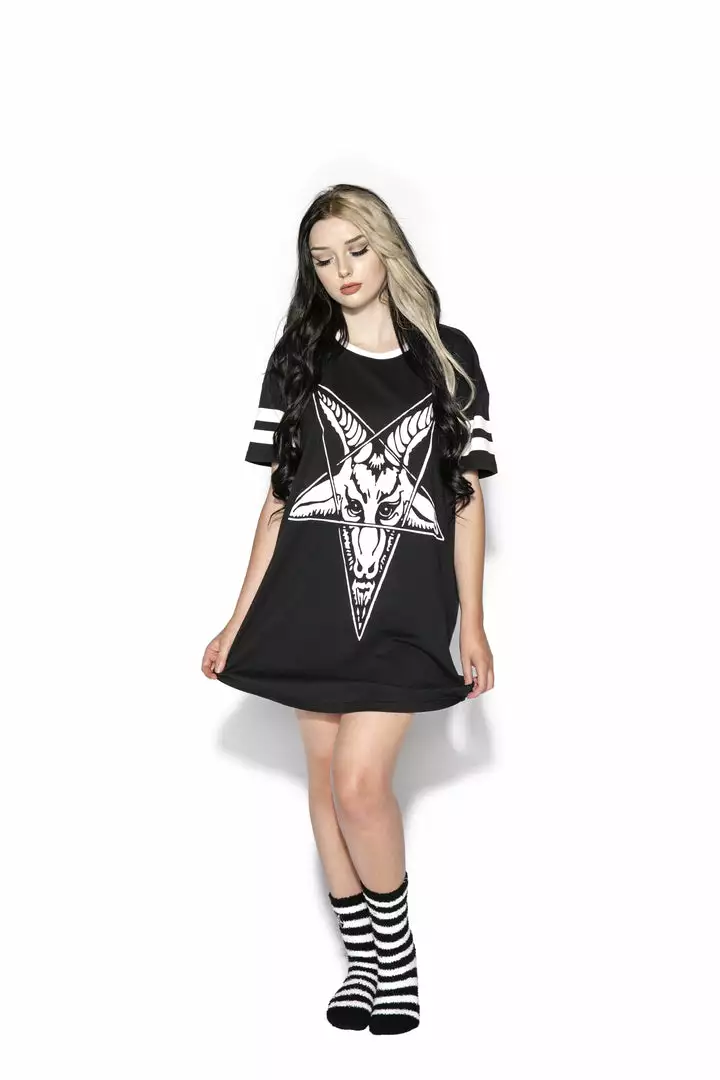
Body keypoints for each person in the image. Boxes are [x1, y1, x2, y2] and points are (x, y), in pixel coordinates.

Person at [201, 183, 498, 1035]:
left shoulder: (449, 357)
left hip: (407, 614)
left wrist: (473, 622)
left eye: (356, 250)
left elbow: (466, 498)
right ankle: (361, 965)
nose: (343, 271)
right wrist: (236, 620)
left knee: (363, 786)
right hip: (306, 606)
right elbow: (278, 501)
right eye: (324, 259)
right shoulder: (299, 358)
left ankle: (395, 960)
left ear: (386, 245)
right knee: (329, 786)